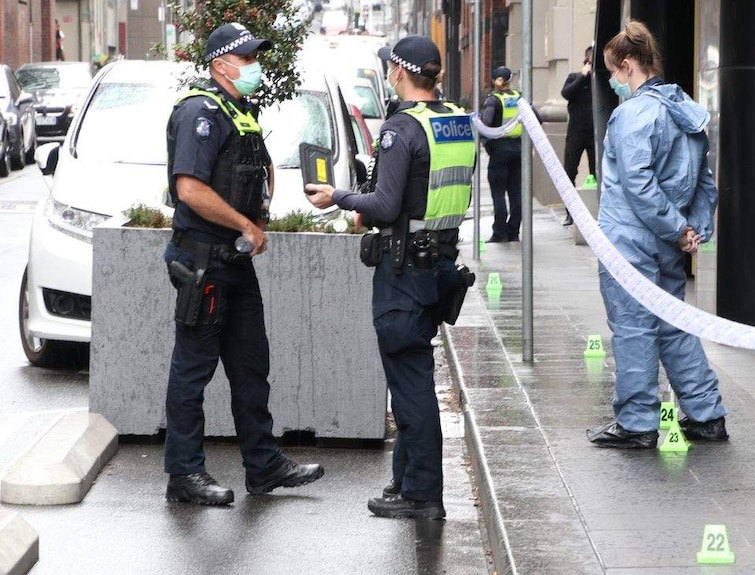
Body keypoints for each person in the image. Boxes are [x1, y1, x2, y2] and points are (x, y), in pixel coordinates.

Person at [306, 35, 476, 520]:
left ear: (399, 73)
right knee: (412, 375)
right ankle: (406, 481)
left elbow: (384, 205)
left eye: (389, 68)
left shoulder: (401, 128)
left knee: (411, 385)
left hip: (403, 273)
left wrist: (338, 197)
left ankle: (422, 494)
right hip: (439, 264)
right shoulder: (455, 120)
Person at [163, 22, 323, 505]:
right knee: (193, 370)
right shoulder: (201, 112)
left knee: (252, 366)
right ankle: (184, 476)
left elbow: (259, 167)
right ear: (221, 64)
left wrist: (260, 215)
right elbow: (188, 188)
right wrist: (245, 225)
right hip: (203, 260)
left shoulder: (240, 111)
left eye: (256, 57)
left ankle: (264, 464)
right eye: (247, 57)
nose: (255, 65)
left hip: (233, 260)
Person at [586, 21, 728, 449]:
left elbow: (637, 184)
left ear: (629, 66)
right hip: (668, 244)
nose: (612, 80)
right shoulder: (684, 108)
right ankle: (706, 414)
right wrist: (692, 231)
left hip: (630, 240)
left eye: (613, 71)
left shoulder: (632, 114)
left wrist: (679, 228)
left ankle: (637, 423)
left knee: (633, 329)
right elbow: (706, 182)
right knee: (674, 326)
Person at [481, 66, 525, 243]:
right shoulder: (519, 98)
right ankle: (514, 231)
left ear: (494, 80)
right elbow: (537, 118)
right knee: (516, 192)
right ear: (510, 80)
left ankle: (500, 232)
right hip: (518, 148)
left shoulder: (493, 100)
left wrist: (487, 144)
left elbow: (485, 123)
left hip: (499, 150)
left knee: (498, 193)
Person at [560, 45, 596, 227]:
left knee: (597, 172)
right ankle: (570, 213)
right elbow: (565, 93)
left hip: (594, 134)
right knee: (569, 173)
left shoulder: (600, 80)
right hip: (575, 133)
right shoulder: (575, 78)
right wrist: (582, 75)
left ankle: (597, 211)